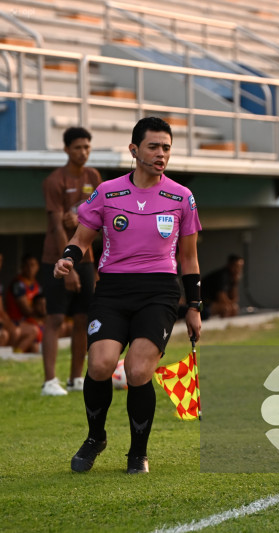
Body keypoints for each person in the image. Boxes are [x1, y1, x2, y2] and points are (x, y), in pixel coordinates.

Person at [54, 117, 202, 474]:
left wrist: (195, 306)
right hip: (113, 290)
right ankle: (95, 437)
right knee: (102, 364)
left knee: (137, 371)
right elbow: (81, 239)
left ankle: (138, 453)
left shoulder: (182, 197)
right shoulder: (107, 191)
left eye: (166, 147)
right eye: (153, 146)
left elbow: (189, 257)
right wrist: (68, 259)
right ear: (134, 150)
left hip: (159, 292)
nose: (161, 154)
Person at [40, 126, 103, 396]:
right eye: (78, 147)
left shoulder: (94, 177)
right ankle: (49, 382)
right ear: (66, 149)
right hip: (56, 258)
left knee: (82, 318)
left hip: (86, 259)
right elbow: (56, 226)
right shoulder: (55, 181)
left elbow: (100, 218)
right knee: (55, 319)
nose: (83, 152)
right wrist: (67, 267)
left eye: (87, 147)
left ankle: (76, 378)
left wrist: (79, 219)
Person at [4, 254, 43, 354]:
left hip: (30, 321)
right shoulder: (18, 284)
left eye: (33, 265)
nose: (30, 268)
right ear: (22, 267)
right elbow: (26, 310)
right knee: (35, 330)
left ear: (38, 267)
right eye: (27, 265)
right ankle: (15, 356)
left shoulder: (36, 285)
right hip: (17, 321)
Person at [0, 253, 21, 348]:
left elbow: (1, 310)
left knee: (16, 332)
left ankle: (9, 359)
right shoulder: (18, 283)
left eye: (1, 261)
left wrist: (9, 324)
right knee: (4, 335)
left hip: (5, 320)